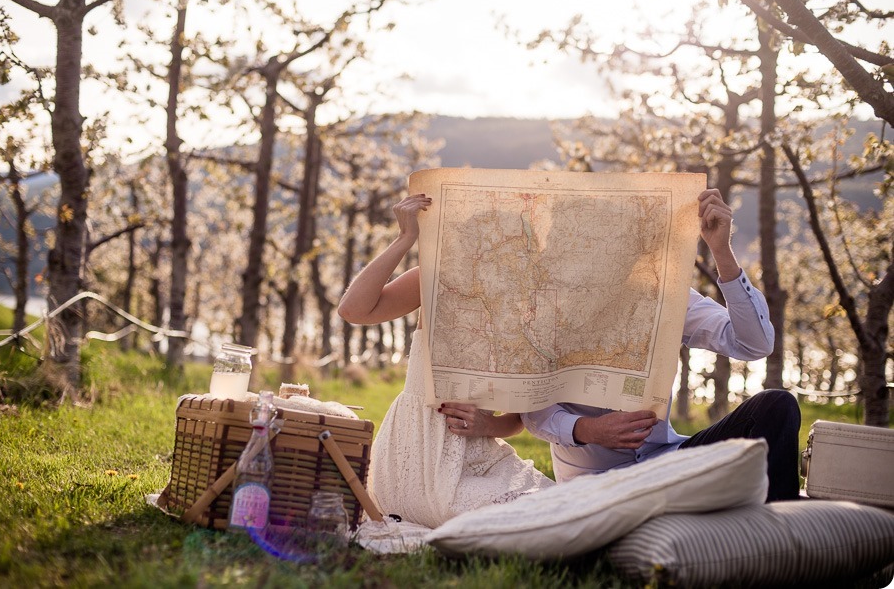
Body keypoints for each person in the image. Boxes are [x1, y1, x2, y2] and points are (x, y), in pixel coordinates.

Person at [521, 188, 801, 502]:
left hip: (667, 462)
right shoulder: (537, 312)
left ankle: (779, 529)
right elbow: (533, 410)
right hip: (595, 483)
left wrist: (722, 251)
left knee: (776, 405)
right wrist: (589, 430)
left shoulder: (661, 297)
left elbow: (755, 344)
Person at [337, 193, 553, 529]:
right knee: (520, 519)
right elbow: (353, 310)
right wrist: (405, 239)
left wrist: (487, 426)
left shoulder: (529, 317)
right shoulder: (438, 282)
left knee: (558, 506)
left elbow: (517, 419)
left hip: (482, 457)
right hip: (418, 452)